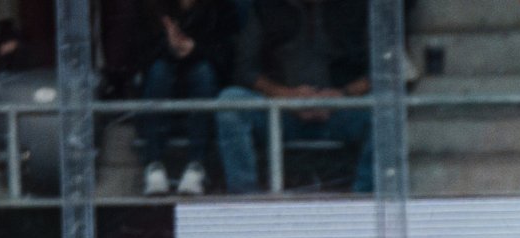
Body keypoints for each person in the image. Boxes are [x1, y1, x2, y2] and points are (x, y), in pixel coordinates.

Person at [215, 0, 372, 195]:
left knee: (388, 108)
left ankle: (364, 196)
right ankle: (245, 197)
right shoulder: (265, 9)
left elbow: (383, 69)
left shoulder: (356, 8)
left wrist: (342, 95)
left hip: (340, 111)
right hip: (280, 114)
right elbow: (244, 71)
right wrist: (286, 96)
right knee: (231, 101)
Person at [135, 0, 237, 195]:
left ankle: (196, 165)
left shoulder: (219, 7)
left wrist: (194, 49)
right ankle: (154, 164)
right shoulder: (152, 7)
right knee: (158, 73)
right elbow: (140, 55)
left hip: (203, 73)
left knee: (203, 74)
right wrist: (169, 47)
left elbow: (226, 56)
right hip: (164, 71)